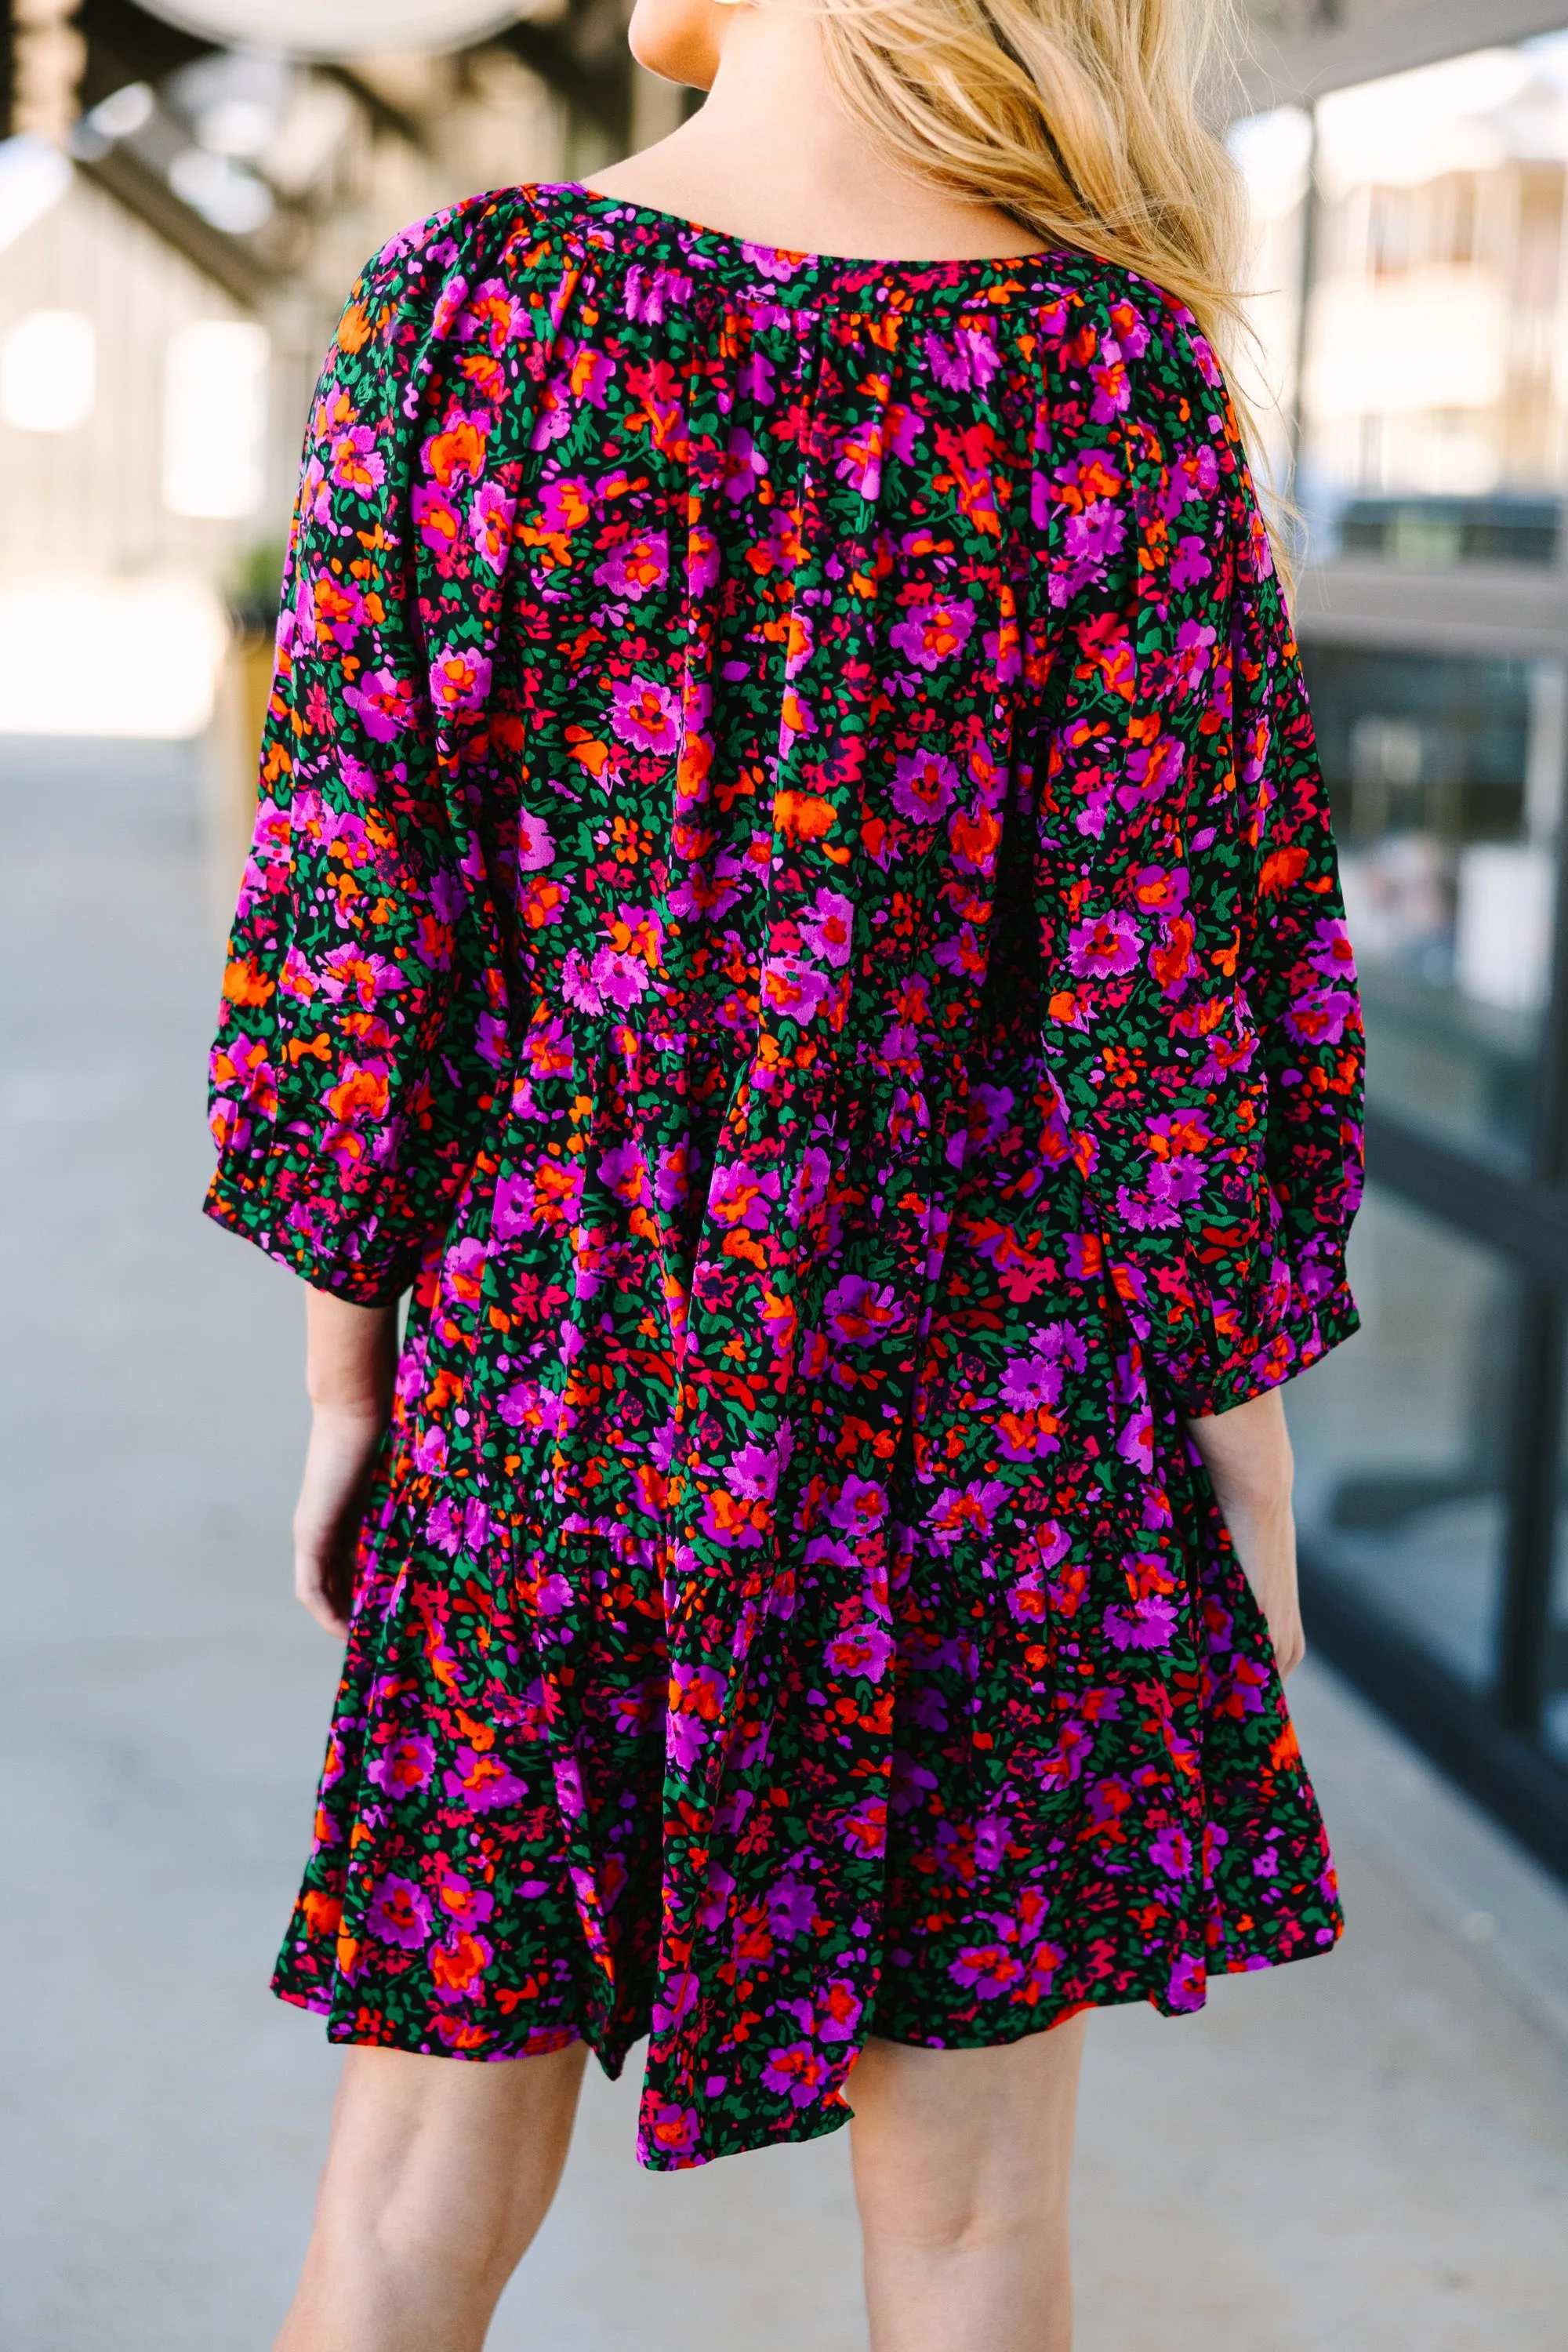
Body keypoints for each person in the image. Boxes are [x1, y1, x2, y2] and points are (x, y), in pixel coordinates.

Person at [205, 0, 1364, 2342]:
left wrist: (359, 1387)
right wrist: (1242, 1442)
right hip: (993, 1411)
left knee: (416, 2187)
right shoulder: (1114, 380)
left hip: (560, 1368)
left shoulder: (473, 310)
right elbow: (1171, 995)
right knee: (971, 2225)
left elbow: (356, 924)